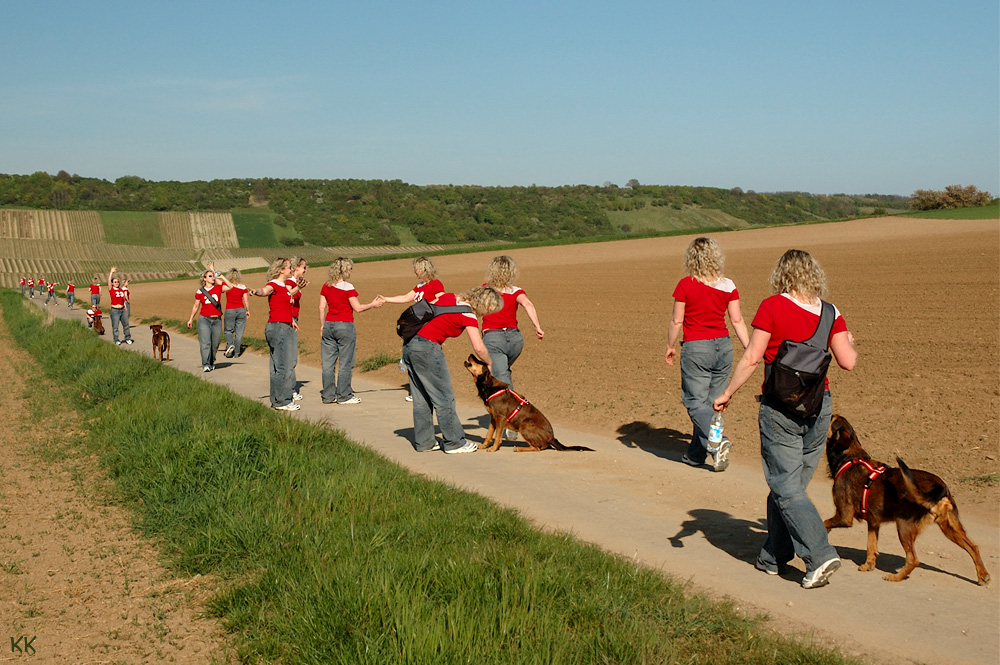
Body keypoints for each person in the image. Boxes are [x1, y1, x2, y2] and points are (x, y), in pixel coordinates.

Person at [713, 249, 858, 590]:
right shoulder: (831, 312)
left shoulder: (773, 306)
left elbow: (752, 357)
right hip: (819, 407)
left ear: (782, 275)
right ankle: (773, 557)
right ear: (814, 275)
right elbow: (848, 361)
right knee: (789, 486)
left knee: (786, 486)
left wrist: (727, 393)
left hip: (780, 408)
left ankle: (819, 555)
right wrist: (849, 342)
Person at [664, 237, 750, 472]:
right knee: (711, 405)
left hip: (696, 348)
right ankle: (695, 455)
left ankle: (719, 442)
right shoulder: (729, 285)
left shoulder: (685, 285)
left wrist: (670, 345)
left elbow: (676, 320)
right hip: (723, 348)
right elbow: (737, 320)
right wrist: (750, 347)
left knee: (694, 404)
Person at [403, 285, 503, 454]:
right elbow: (478, 347)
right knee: (444, 397)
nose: (487, 314)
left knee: (421, 398)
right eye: (490, 310)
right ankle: (454, 442)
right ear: (486, 305)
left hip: (410, 345)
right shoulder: (468, 314)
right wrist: (489, 363)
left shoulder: (448, 297)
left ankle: (424, 442)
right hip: (428, 348)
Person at [318, 258, 383, 405]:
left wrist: (322, 325)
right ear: (345, 270)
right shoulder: (348, 287)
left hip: (329, 325)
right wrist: (373, 304)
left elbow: (322, 308)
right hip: (345, 326)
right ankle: (344, 395)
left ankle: (328, 396)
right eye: (350, 269)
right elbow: (358, 308)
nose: (351, 272)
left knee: (328, 364)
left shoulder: (326, 286)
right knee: (345, 363)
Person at [380, 256, 445, 401]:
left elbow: (442, 299)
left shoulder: (435, 284)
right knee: (413, 359)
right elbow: (405, 298)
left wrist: (424, 308)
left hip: (428, 327)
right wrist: (386, 299)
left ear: (424, 269)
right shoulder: (420, 286)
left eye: (416, 269)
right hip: (415, 327)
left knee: (425, 360)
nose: (415, 272)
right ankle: (417, 392)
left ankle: (429, 391)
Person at [249, 258, 305, 411]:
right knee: (284, 366)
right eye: (288, 267)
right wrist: (256, 291)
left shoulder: (283, 287)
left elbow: (284, 303)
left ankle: (276, 399)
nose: (291, 269)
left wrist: (291, 320)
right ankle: (283, 401)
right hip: (278, 328)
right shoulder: (273, 284)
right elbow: (264, 291)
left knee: (275, 366)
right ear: (281, 270)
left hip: (281, 325)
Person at [481, 255, 545, 388]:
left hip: (494, 340)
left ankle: (510, 407)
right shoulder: (516, 291)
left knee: (502, 377)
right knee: (502, 371)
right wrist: (537, 326)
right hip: (515, 339)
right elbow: (528, 304)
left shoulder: (485, 289)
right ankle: (500, 406)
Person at [187, 263, 231, 371]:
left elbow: (230, 286)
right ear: (205, 279)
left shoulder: (218, 288)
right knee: (205, 342)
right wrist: (191, 318)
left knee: (215, 343)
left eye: (213, 276)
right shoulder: (200, 291)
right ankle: (205, 364)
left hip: (217, 320)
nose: (212, 278)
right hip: (204, 319)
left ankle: (211, 362)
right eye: (210, 276)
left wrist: (220, 276)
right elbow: (196, 305)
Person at [286, 257, 308, 400]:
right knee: (290, 357)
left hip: (293, 319)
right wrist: (298, 288)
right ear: (295, 268)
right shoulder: (289, 282)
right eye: (303, 267)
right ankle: (290, 389)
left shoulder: (294, 282)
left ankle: (290, 387)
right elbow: (287, 296)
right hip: (290, 320)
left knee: (292, 356)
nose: (305, 270)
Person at [223, 268, 250, 358]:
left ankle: (230, 345)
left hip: (230, 309)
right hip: (241, 310)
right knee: (239, 334)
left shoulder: (227, 286)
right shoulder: (243, 287)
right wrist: (247, 310)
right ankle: (237, 353)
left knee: (228, 331)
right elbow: (246, 300)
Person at [107, 267, 133, 345]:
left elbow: (122, 299)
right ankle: (116, 340)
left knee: (126, 325)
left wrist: (124, 306)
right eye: (115, 282)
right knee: (115, 327)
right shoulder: (111, 290)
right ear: (112, 283)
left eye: (118, 282)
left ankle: (127, 338)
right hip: (115, 310)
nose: (117, 283)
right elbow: (108, 282)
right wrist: (111, 272)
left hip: (122, 309)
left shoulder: (121, 290)